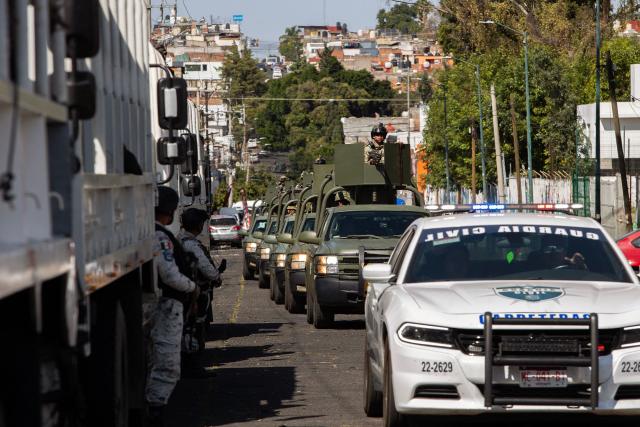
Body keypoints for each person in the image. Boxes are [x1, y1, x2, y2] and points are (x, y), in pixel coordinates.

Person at [146, 186, 197, 426]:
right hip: (168, 305)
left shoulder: (154, 233)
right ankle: (156, 408)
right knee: (167, 363)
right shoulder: (160, 236)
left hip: (161, 304)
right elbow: (170, 275)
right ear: (170, 211)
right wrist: (192, 287)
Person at [178, 208, 227, 357]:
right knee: (196, 325)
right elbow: (205, 267)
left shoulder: (180, 240)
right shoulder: (191, 245)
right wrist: (216, 277)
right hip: (196, 291)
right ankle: (195, 359)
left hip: (188, 290)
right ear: (198, 225)